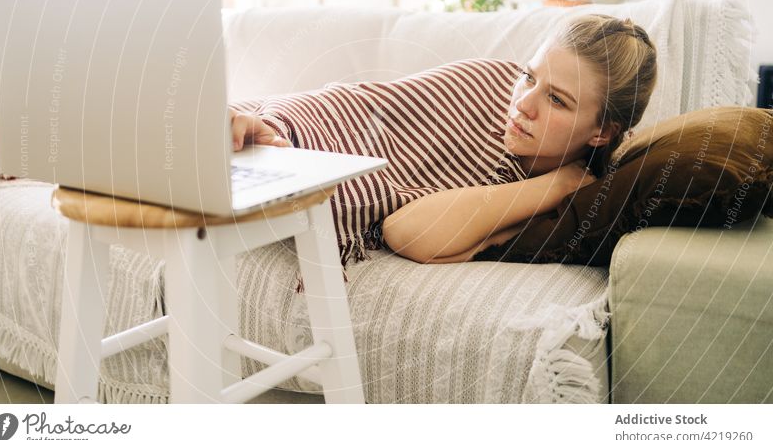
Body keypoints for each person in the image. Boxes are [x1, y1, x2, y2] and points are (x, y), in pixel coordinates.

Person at [230, 14, 657, 266]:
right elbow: (361, 107)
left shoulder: (573, 195)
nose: (523, 104)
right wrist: (266, 128)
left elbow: (408, 232)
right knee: (215, 136)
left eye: (557, 100)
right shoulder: (483, 83)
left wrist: (556, 184)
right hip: (281, 127)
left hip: (285, 161)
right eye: (529, 76)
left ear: (602, 132)